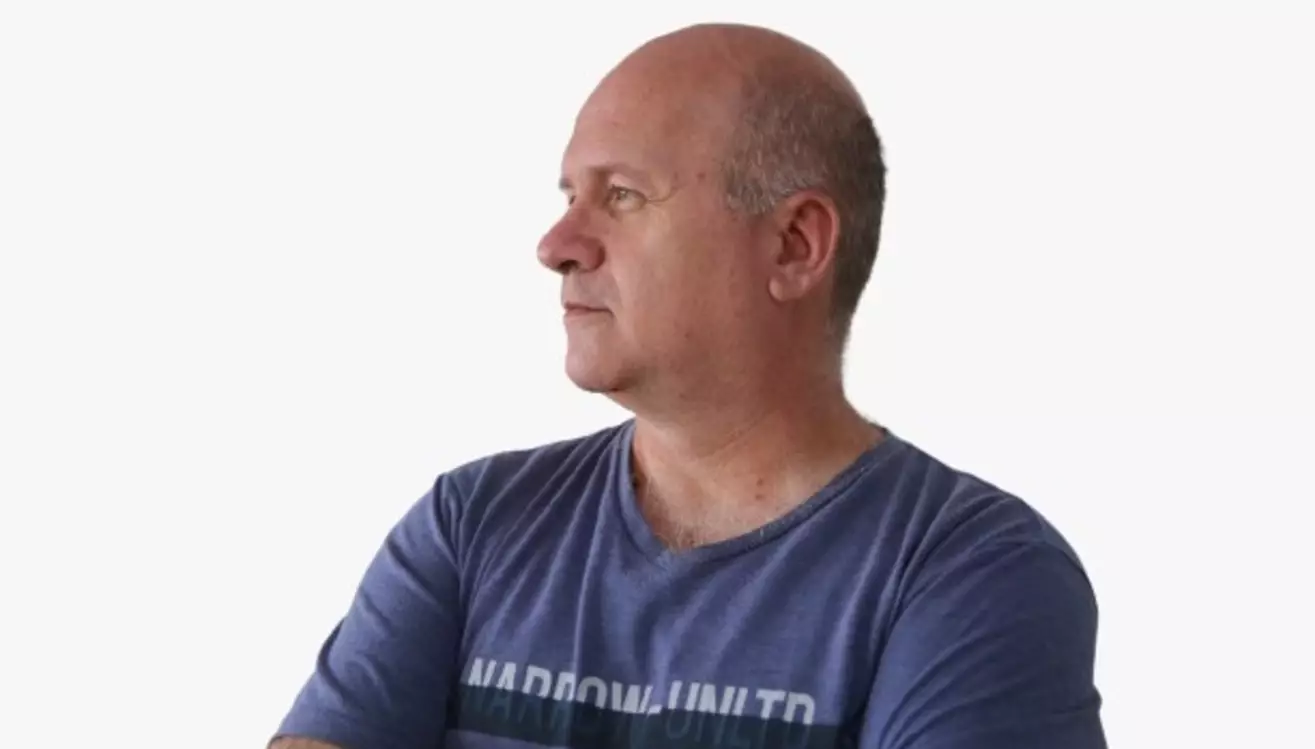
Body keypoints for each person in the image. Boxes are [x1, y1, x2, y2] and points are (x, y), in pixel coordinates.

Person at [269, 22, 1106, 749]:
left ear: (794, 245)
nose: (557, 244)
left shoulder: (970, 573)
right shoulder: (471, 526)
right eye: (570, 195)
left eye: (622, 196)